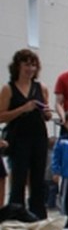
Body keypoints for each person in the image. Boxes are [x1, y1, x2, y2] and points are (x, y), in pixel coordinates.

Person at [0, 49, 53, 219]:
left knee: (38, 180)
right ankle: (17, 217)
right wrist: (23, 109)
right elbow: (1, 116)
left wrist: (47, 113)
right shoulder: (8, 89)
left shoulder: (41, 87)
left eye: (33, 65)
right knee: (19, 180)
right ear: (18, 66)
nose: (30, 68)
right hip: (18, 138)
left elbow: (47, 113)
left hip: (38, 137)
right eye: (26, 64)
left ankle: (39, 219)